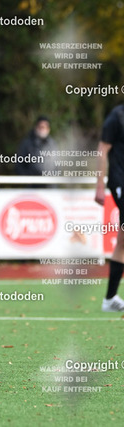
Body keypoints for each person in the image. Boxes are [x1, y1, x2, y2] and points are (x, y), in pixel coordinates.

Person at [95, 104, 124, 311]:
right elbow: (102, 151)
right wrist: (99, 185)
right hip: (120, 182)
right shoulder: (117, 117)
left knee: (122, 242)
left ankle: (110, 299)